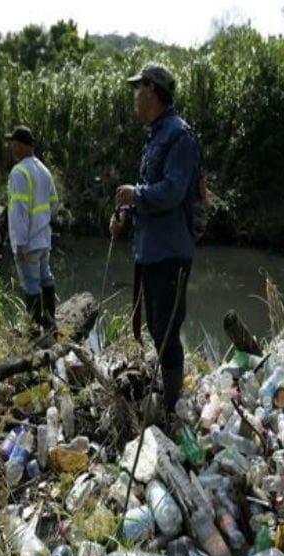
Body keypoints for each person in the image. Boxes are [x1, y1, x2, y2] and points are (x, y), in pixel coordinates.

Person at [110, 62, 201, 419]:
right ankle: (168, 393)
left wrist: (136, 196)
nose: (135, 97)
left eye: (138, 89)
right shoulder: (155, 136)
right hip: (151, 251)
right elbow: (148, 196)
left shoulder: (179, 135)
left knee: (167, 329)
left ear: (152, 91)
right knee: (156, 325)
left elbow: (173, 191)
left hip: (170, 252)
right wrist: (125, 218)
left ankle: (172, 406)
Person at [6, 125, 59, 334]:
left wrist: (19, 242)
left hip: (27, 241)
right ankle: (49, 320)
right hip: (44, 238)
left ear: (20, 146)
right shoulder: (44, 170)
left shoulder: (19, 172)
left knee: (30, 285)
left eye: (13, 143)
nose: (11, 147)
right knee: (46, 277)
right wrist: (42, 223)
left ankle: (35, 330)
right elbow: (54, 203)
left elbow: (19, 210)